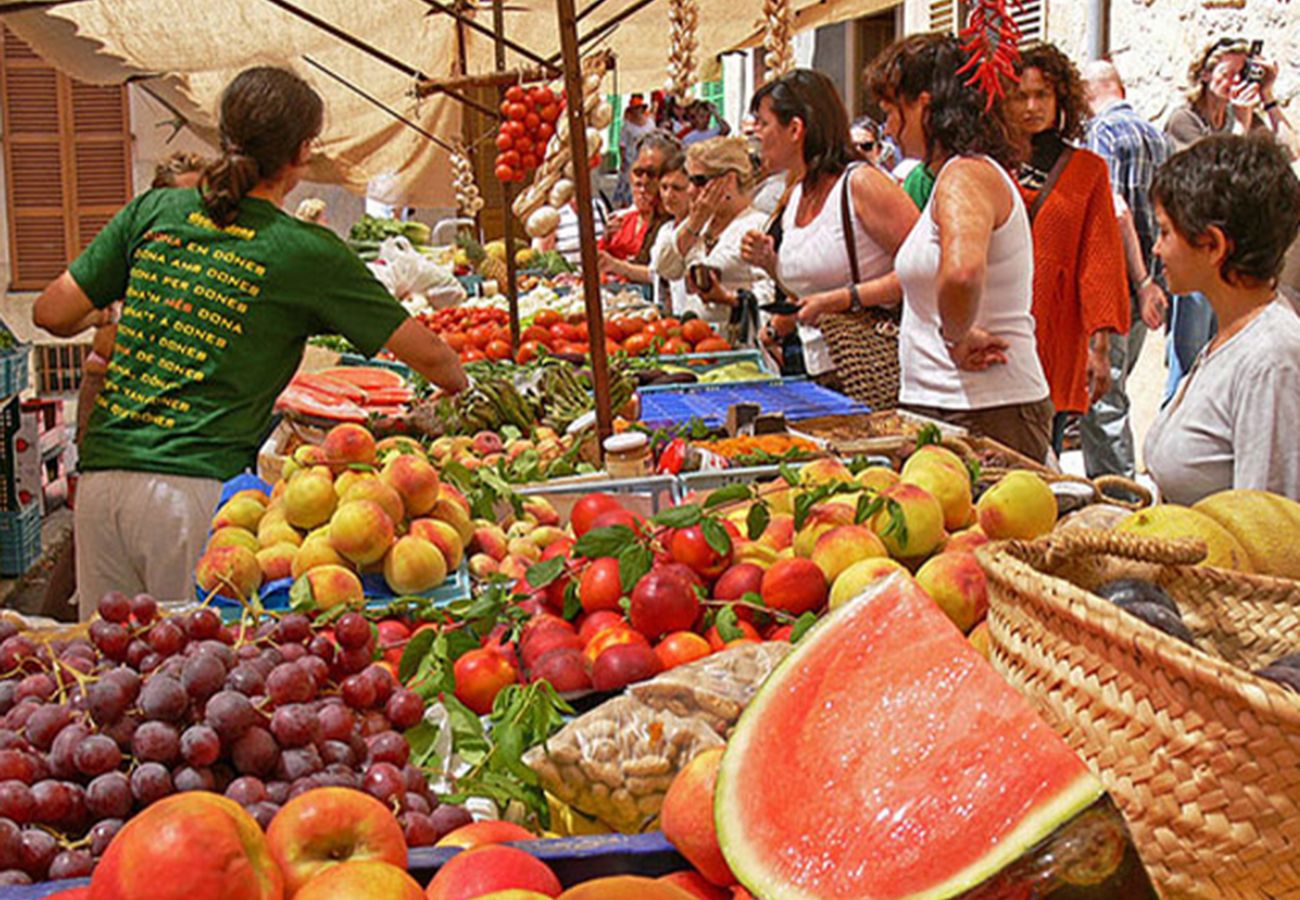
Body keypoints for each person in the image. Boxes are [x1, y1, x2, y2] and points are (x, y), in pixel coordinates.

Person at [32, 67, 467, 618]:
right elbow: (433, 357)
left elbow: (51, 312)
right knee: (190, 673)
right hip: (194, 495)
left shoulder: (153, 212)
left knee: (113, 673)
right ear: (302, 152)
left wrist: (123, 306)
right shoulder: (304, 251)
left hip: (101, 485)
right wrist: (462, 392)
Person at [866, 33, 1053, 461]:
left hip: (981, 410)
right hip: (958, 406)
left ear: (925, 106)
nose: (890, 128)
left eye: (893, 111)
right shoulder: (956, 175)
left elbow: (963, 271)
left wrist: (957, 335)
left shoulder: (964, 176)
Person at [1143, 135, 1300, 503]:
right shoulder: (1231, 336)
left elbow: (1265, 528)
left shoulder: (1271, 360)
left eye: (1165, 232)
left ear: (1213, 245)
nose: (1157, 248)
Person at [741, 69, 917, 392]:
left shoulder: (861, 184)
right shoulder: (796, 196)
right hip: (819, 375)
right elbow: (810, 289)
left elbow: (926, 267)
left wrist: (844, 299)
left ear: (795, 129)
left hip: (870, 372)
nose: (756, 135)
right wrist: (769, 262)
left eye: (764, 124)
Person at [1007, 43, 1129, 458]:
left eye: (1042, 94)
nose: (1031, 106)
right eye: (1020, 95)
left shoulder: (1087, 170)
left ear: (1061, 99)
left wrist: (1100, 347)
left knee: (1042, 462)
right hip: (993, 337)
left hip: (1053, 337)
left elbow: (1098, 262)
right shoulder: (986, 165)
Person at [1164, 38, 1295, 400]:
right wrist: (1241, 124)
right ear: (1206, 75)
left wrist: (1268, 97)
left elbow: (1290, 151)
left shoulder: (1244, 118)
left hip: (1230, 259)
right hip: (1195, 252)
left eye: (1243, 73)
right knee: (1189, 360)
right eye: (1228, 73)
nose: (1236, 82)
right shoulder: (1184, 120)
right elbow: (1212, 186)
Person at [77, 153, 211, 446]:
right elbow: (87, 327)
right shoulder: (137, 248)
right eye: (181, 200)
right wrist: (110, 317)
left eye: (200, 199)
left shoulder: (215, 255)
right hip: (122, 415)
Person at [1080, 59, 1173, 477]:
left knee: (1103, 400)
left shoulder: (1102, 133)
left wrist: (1138, 280)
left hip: (1118, 287)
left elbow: (1113, 210)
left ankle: (1117, 502)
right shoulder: (1157, 134)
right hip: (1151, 285)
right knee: (1117, 391)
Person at [669, 136, 773, 344]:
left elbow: (771, 296)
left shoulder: (758, 225)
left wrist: (728, 298)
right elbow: (664, 267)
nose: (691, 191)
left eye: (700, 181)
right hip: (695, 345)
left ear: (729, 180)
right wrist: (694, 223)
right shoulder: (699, 224)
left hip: (738, 348)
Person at [598, 131, 676, 284]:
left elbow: (660, 275)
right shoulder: (622, 220)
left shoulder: (672, 225)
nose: (644, 181)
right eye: (638, 172)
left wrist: (617, 266)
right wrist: (606, 238)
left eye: (652, 173)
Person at [648, 144, 692, 314]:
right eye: (664, 187)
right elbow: (654, 271)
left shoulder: (700, 232)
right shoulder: (665, 230)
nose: (668, 195)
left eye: (677, 188)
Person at [615, 93, 655, 207]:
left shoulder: (650, 123)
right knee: (628, 185)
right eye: (635, 108)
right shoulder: (627, 126)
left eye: (639, 108)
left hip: (647, 157)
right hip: (631, 159)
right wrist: (622, 160)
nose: (638, 111)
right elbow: (622, 144)